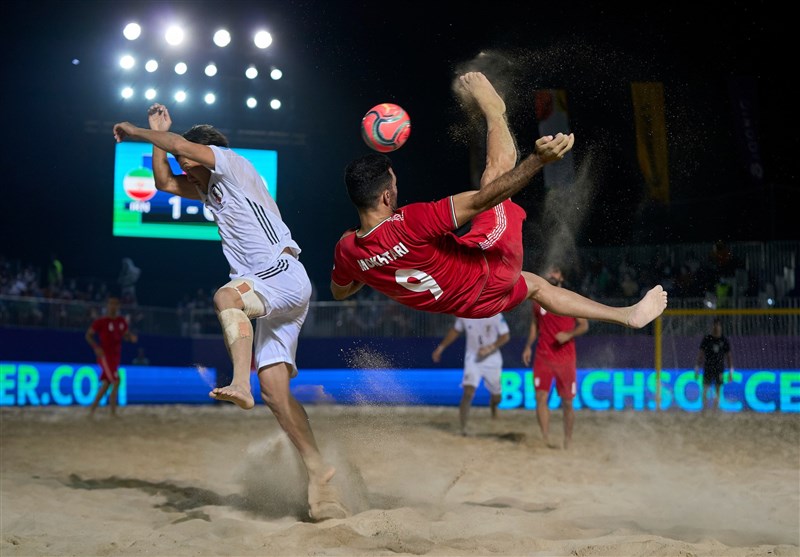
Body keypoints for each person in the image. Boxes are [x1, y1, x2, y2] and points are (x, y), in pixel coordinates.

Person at [112, 104, 347, 521]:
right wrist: (157, 136)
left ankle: (240, 382)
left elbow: (182, 147)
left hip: (279, 274)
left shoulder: (232, 165)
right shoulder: (205, 189)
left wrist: (135, 131)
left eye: (189, 154)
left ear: (206, 152)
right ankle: (319, 470)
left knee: (226, 298)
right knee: (276, 393)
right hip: (279, 291)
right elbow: (163, 181)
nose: (184, 161)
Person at [330, 71, 667, 332]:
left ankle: (627, 315)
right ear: (387, 195)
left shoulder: (347, 251)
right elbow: (482, 200)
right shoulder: (410, 222)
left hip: (471, 305)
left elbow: (340, 292)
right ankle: (496, 111)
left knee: (535, 285)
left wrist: (368, 265)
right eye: (395, 186)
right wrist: (536, 160)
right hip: (490, 274)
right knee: (494, 180)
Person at [521, 266, 588, 449]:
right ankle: (545, 439)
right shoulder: (538, 301)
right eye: (549, 271)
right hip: (543, 355)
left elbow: (584, 325)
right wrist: (528, 346)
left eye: (556, 271)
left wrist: (568, 335)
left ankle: (568, 440)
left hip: (565, 359)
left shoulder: (570, 299)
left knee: (567, 402)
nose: (552, 274)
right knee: (540, 398)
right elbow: (534, 326)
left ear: (562, 277)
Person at [432, 313, 510, 435]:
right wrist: (440, 348)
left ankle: (494, 407)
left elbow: (505, 336)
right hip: (472, 358)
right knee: (468, 391)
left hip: (492, 359)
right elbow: (455, 330)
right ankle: (463, 428)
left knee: (497, 397)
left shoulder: (494, 311)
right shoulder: (465, 312)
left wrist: (489, 348)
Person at [85, 295, 138, 417]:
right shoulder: (101, 322)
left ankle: (93, 410)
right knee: (116, 380)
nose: (113, 306)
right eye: (111, 303)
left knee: (107, 383)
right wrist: (96, 347)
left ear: (118, 306)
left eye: (115, 304)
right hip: (105, 356)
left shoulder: (121, 321)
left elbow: (125, 334)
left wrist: (131, 337)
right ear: (107, 305)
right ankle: (112, 411)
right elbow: (88, 335)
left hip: (115, 357)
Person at [695, 317, 733, 411]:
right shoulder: (707, 339)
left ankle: (715, 410)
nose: (716, 327)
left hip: (719, 368)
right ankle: (704, 409)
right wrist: (697, 368)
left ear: (720, 327)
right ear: (712, 326)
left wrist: (731, 371)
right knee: (705, 389)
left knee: (718, 390)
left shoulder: (724, 340)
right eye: (715, 325)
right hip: (708, 367)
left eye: (718, 325)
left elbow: (729, 356)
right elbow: (701, 354)